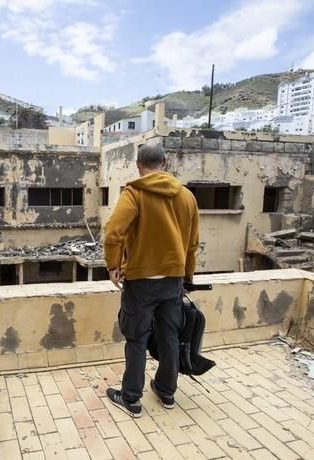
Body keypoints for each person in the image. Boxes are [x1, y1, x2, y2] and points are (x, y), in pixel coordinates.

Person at [103, 143, 199, 416]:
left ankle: (131, 398)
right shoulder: (187, 197)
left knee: (136, 339)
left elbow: (113, 233)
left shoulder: (134, 193)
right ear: (165, 162)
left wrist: (113, 265)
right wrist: (187, 276)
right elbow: (192, 244)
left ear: (138, 165)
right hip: (173, 281)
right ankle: (167, 392)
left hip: (141, 282)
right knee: (170, 335)